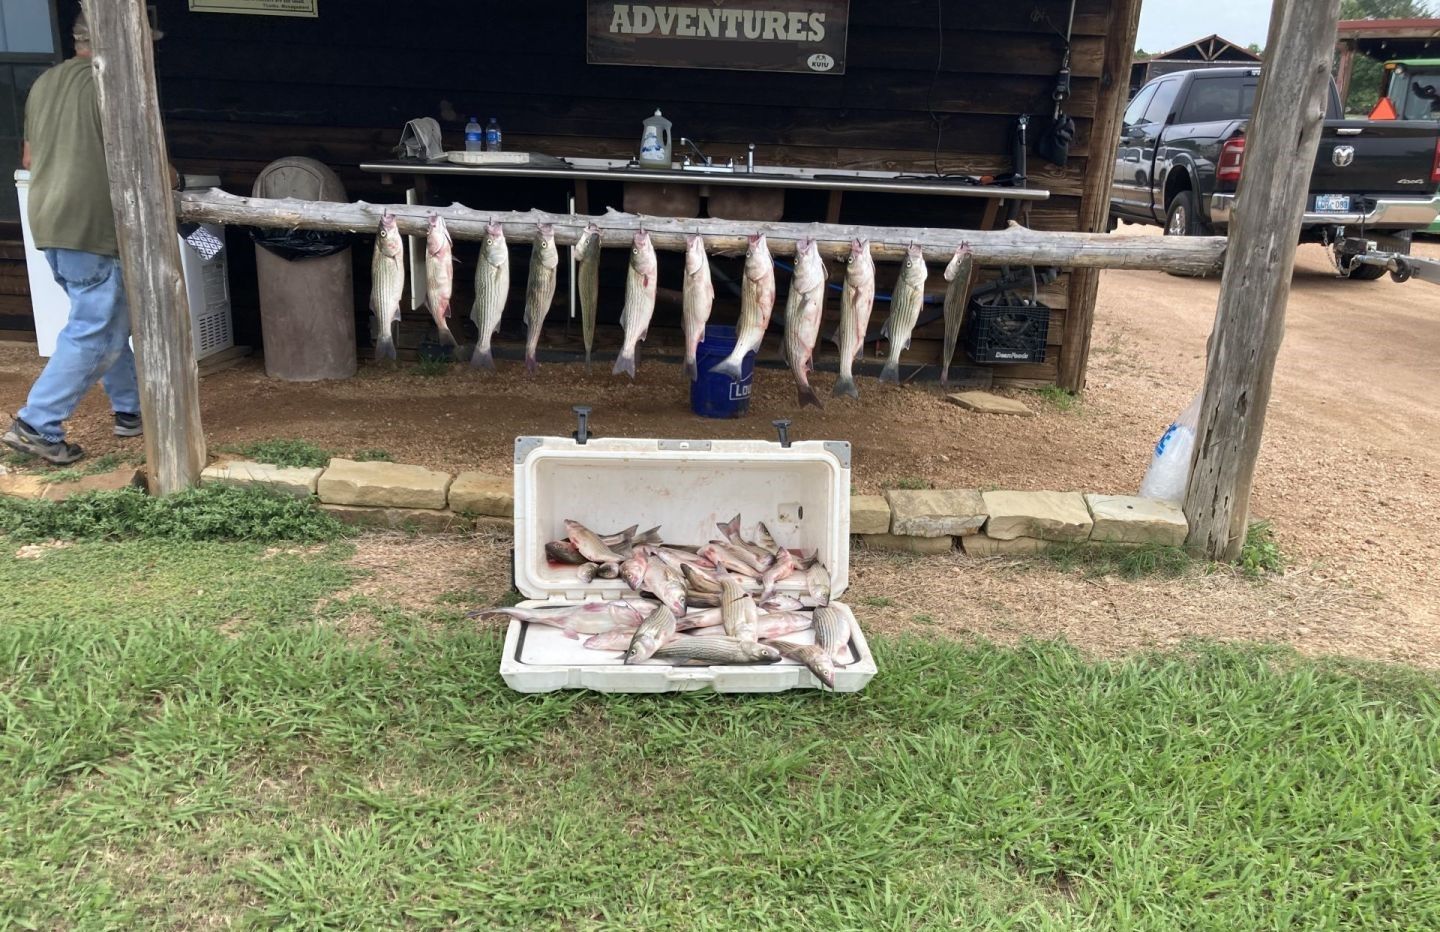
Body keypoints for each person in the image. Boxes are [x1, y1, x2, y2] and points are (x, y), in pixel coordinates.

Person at [3, 11, 177, 465]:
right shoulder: (116, 82)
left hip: (48, 218)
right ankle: (36, 424)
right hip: (93, 224)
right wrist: (173, 180)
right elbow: (143, 157)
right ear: (120, 39)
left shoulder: (45, 82)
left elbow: (29, 157)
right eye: (145, 41)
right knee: (95, 330)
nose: (149, 50)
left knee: (106, 322)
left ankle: (131, 410)